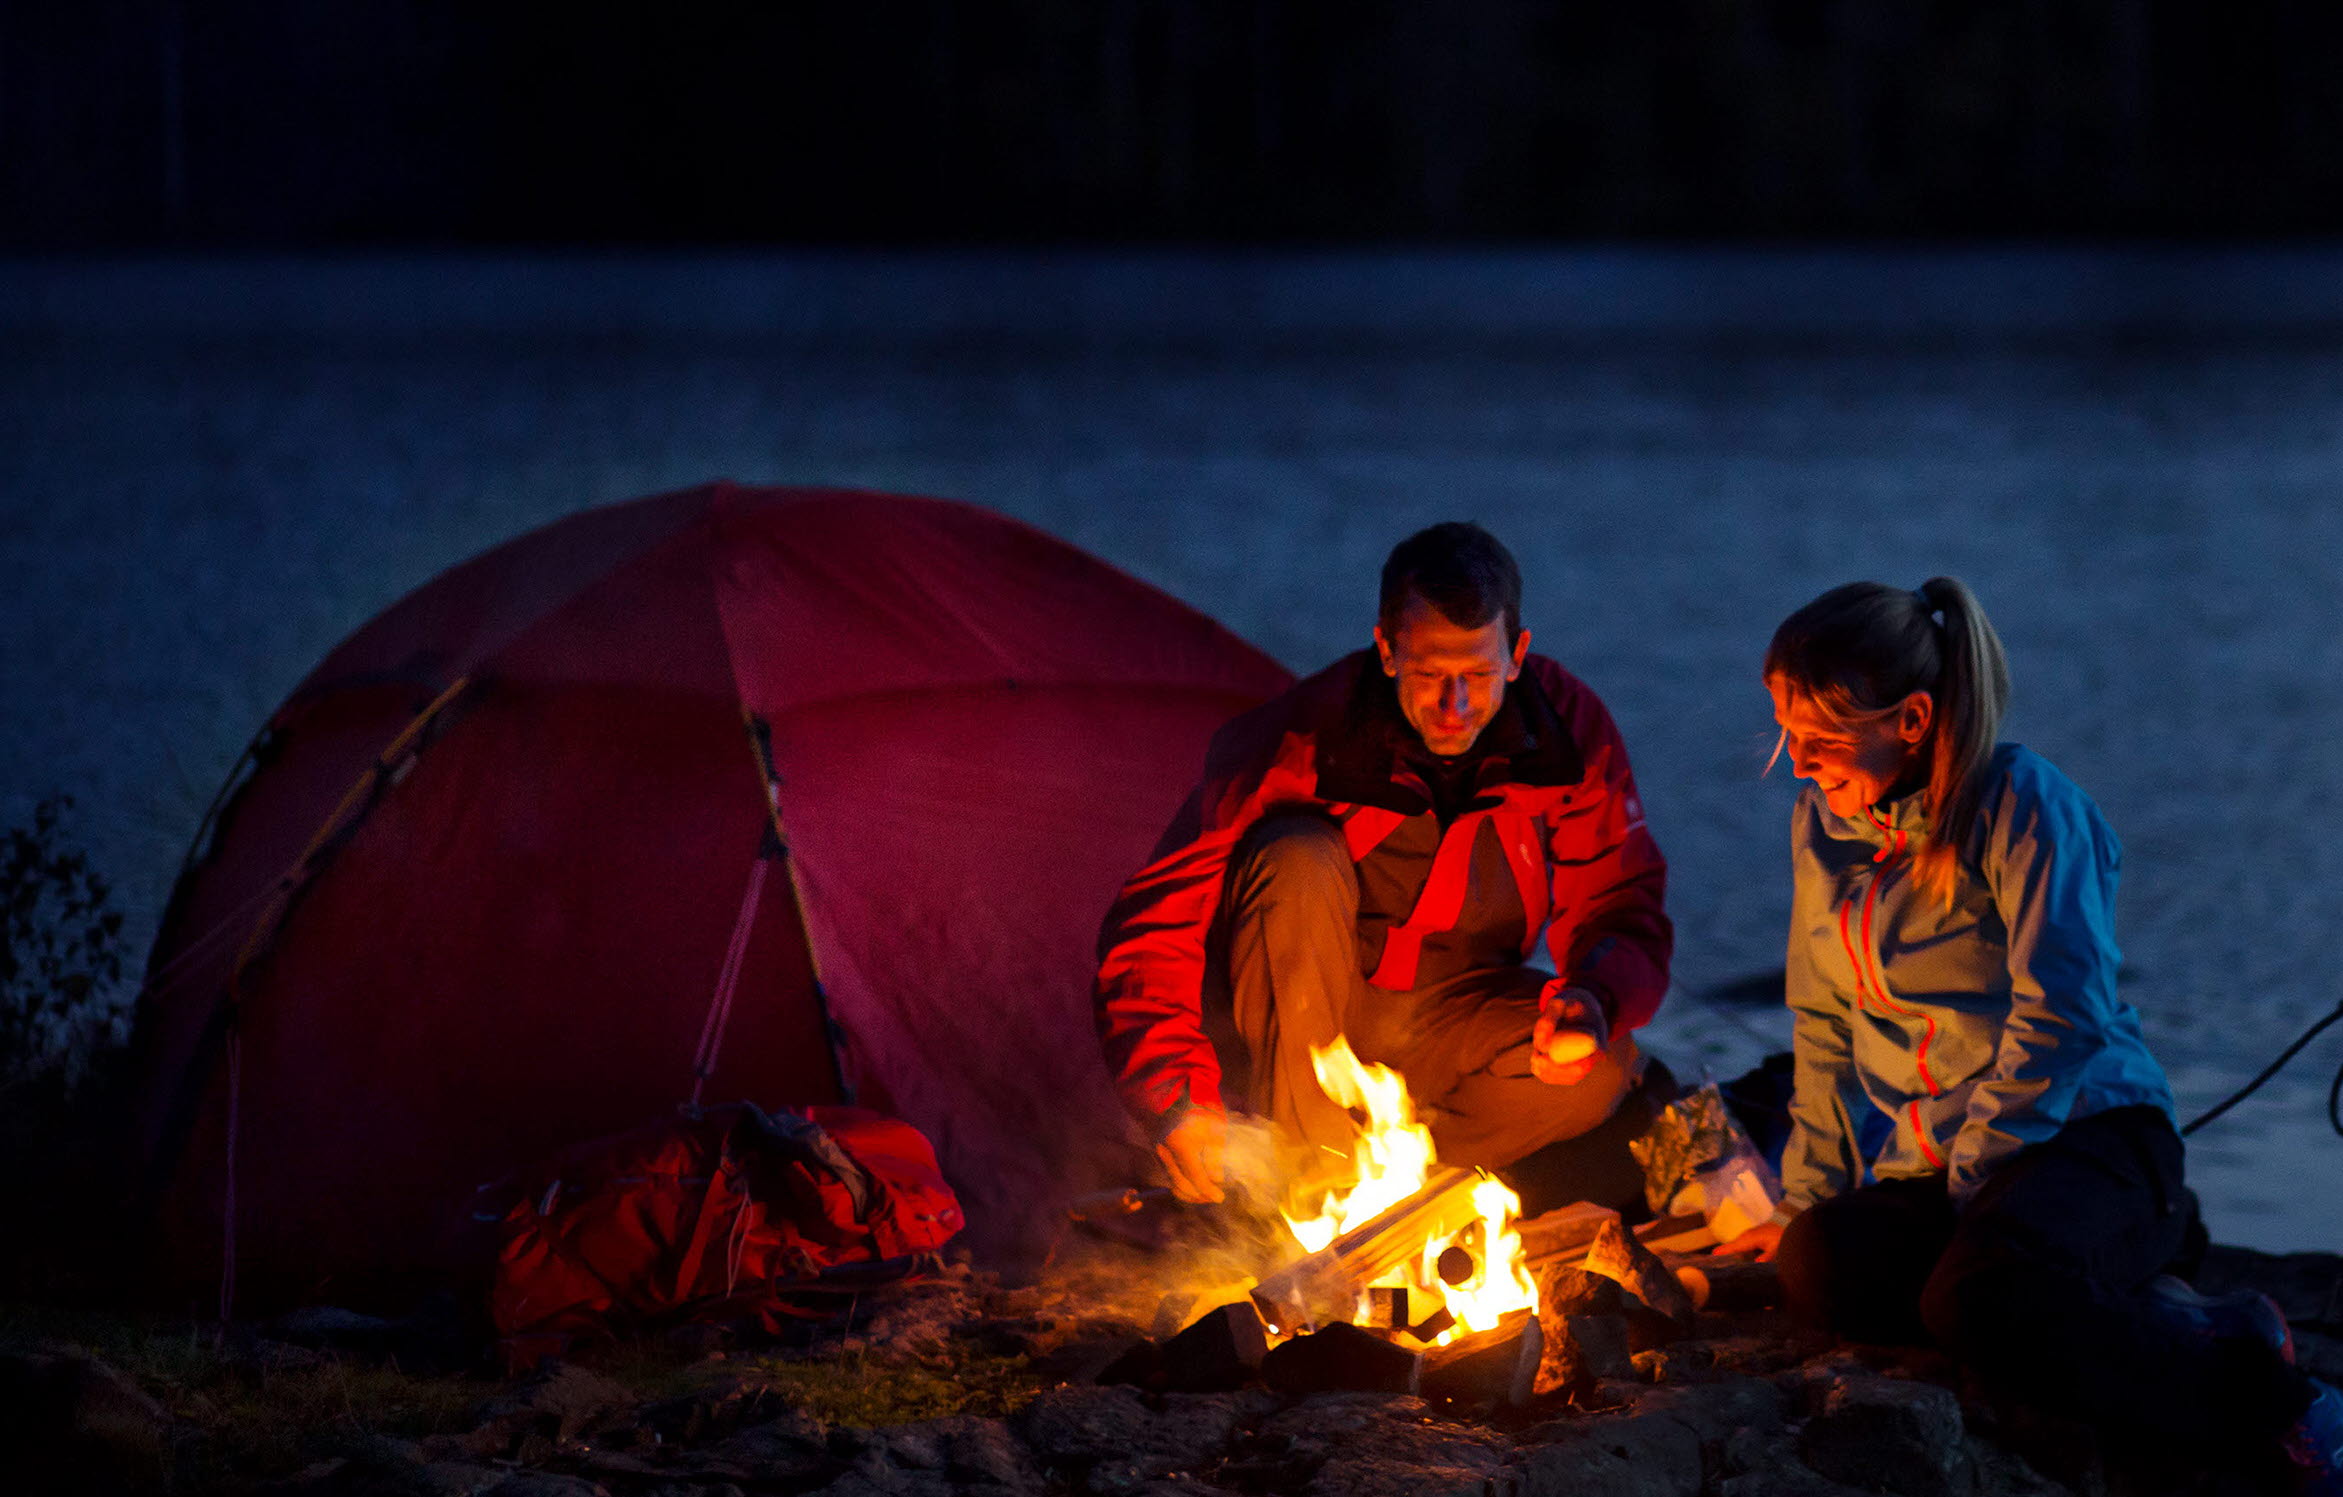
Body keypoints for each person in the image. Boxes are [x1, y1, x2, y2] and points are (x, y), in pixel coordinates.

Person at [1720, 576, 2341, 1486]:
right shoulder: (1823, 830)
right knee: (1819, 1263)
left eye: (1818, 737)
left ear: (1913, 718)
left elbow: (2065, 1008)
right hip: (1954, 1159)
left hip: (2087, 1133)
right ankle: (2147, 1305)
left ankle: (2283, 1404)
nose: (1798, 759)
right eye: (1786, 732)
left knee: (1980, 1297)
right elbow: (1820, 1026)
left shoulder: (2021, 802)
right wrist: (1803, 1198)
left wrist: (1980, 1164)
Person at [1093, 522, 1674, 1213]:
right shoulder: (1306, 737)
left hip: (1455, 1016)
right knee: (1294, 856)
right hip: (1307, 1019)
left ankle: (1402, 1196)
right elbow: (1154, 929)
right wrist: (1177, 1098)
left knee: (1599, 1062)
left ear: (1516, 654)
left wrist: (1593, 999)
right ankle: (1311, 1192)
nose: (1454, 707)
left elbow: (1620, 900)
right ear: (1387, 650)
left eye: (1478, 675)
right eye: (1429, 674)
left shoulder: (1565, 735)